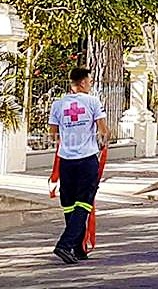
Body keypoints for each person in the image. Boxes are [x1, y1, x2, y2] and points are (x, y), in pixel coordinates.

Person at [48, 67, 110, 264]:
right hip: (87, 159)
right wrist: (102, 143)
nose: (90, 85)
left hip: (66, 160)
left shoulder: (58, 104)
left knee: (69, 205)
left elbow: (52, 133)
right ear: (83, 82)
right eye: (90, 81)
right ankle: (65, 245)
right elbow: (104, 131)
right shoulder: (92, 102)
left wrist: (68, 141)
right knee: (84, 203)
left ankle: (78, 248)